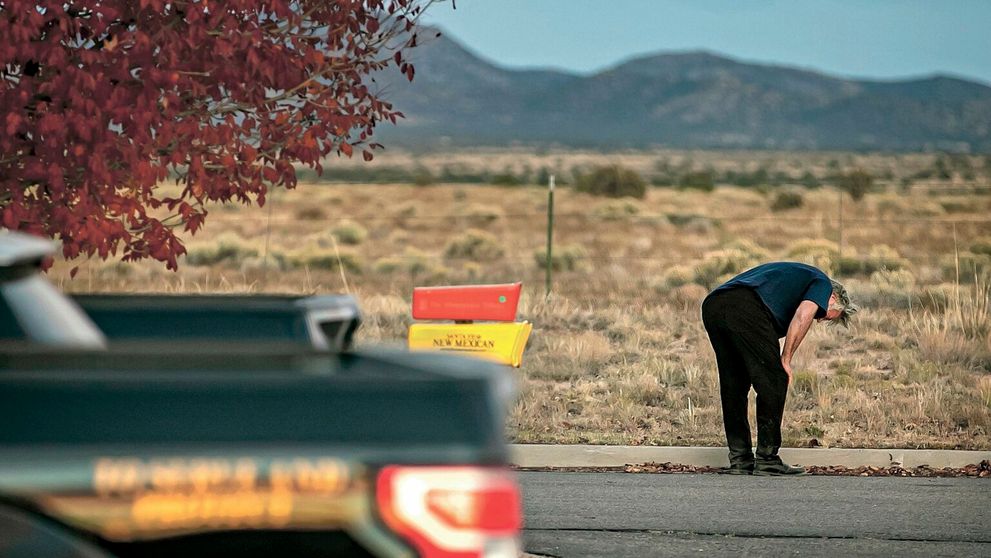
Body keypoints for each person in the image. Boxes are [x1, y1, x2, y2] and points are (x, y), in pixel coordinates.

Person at [700, 261, 857, 476]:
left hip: (714, 305)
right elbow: (803, 316)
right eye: (823, 315)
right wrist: (786, 359)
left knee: (734, 385)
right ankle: (767, 459)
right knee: (775, 379)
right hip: (745, 306)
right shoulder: (822, 283)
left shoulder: (795, 280)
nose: (819, 320)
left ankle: (740, 460)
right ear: (833, 298)